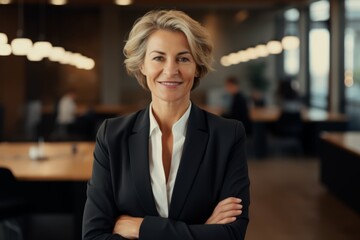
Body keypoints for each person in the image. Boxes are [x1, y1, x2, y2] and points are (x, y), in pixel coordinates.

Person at [82, 10, 250, 240]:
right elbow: (94, 236)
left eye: (183, 58)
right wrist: (204, 230)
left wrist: (140, 228)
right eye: (159, 57)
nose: (171, 70)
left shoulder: (228, 136)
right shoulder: (112, 136)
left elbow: (231, 235)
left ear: (197, 67)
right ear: (142, 65)